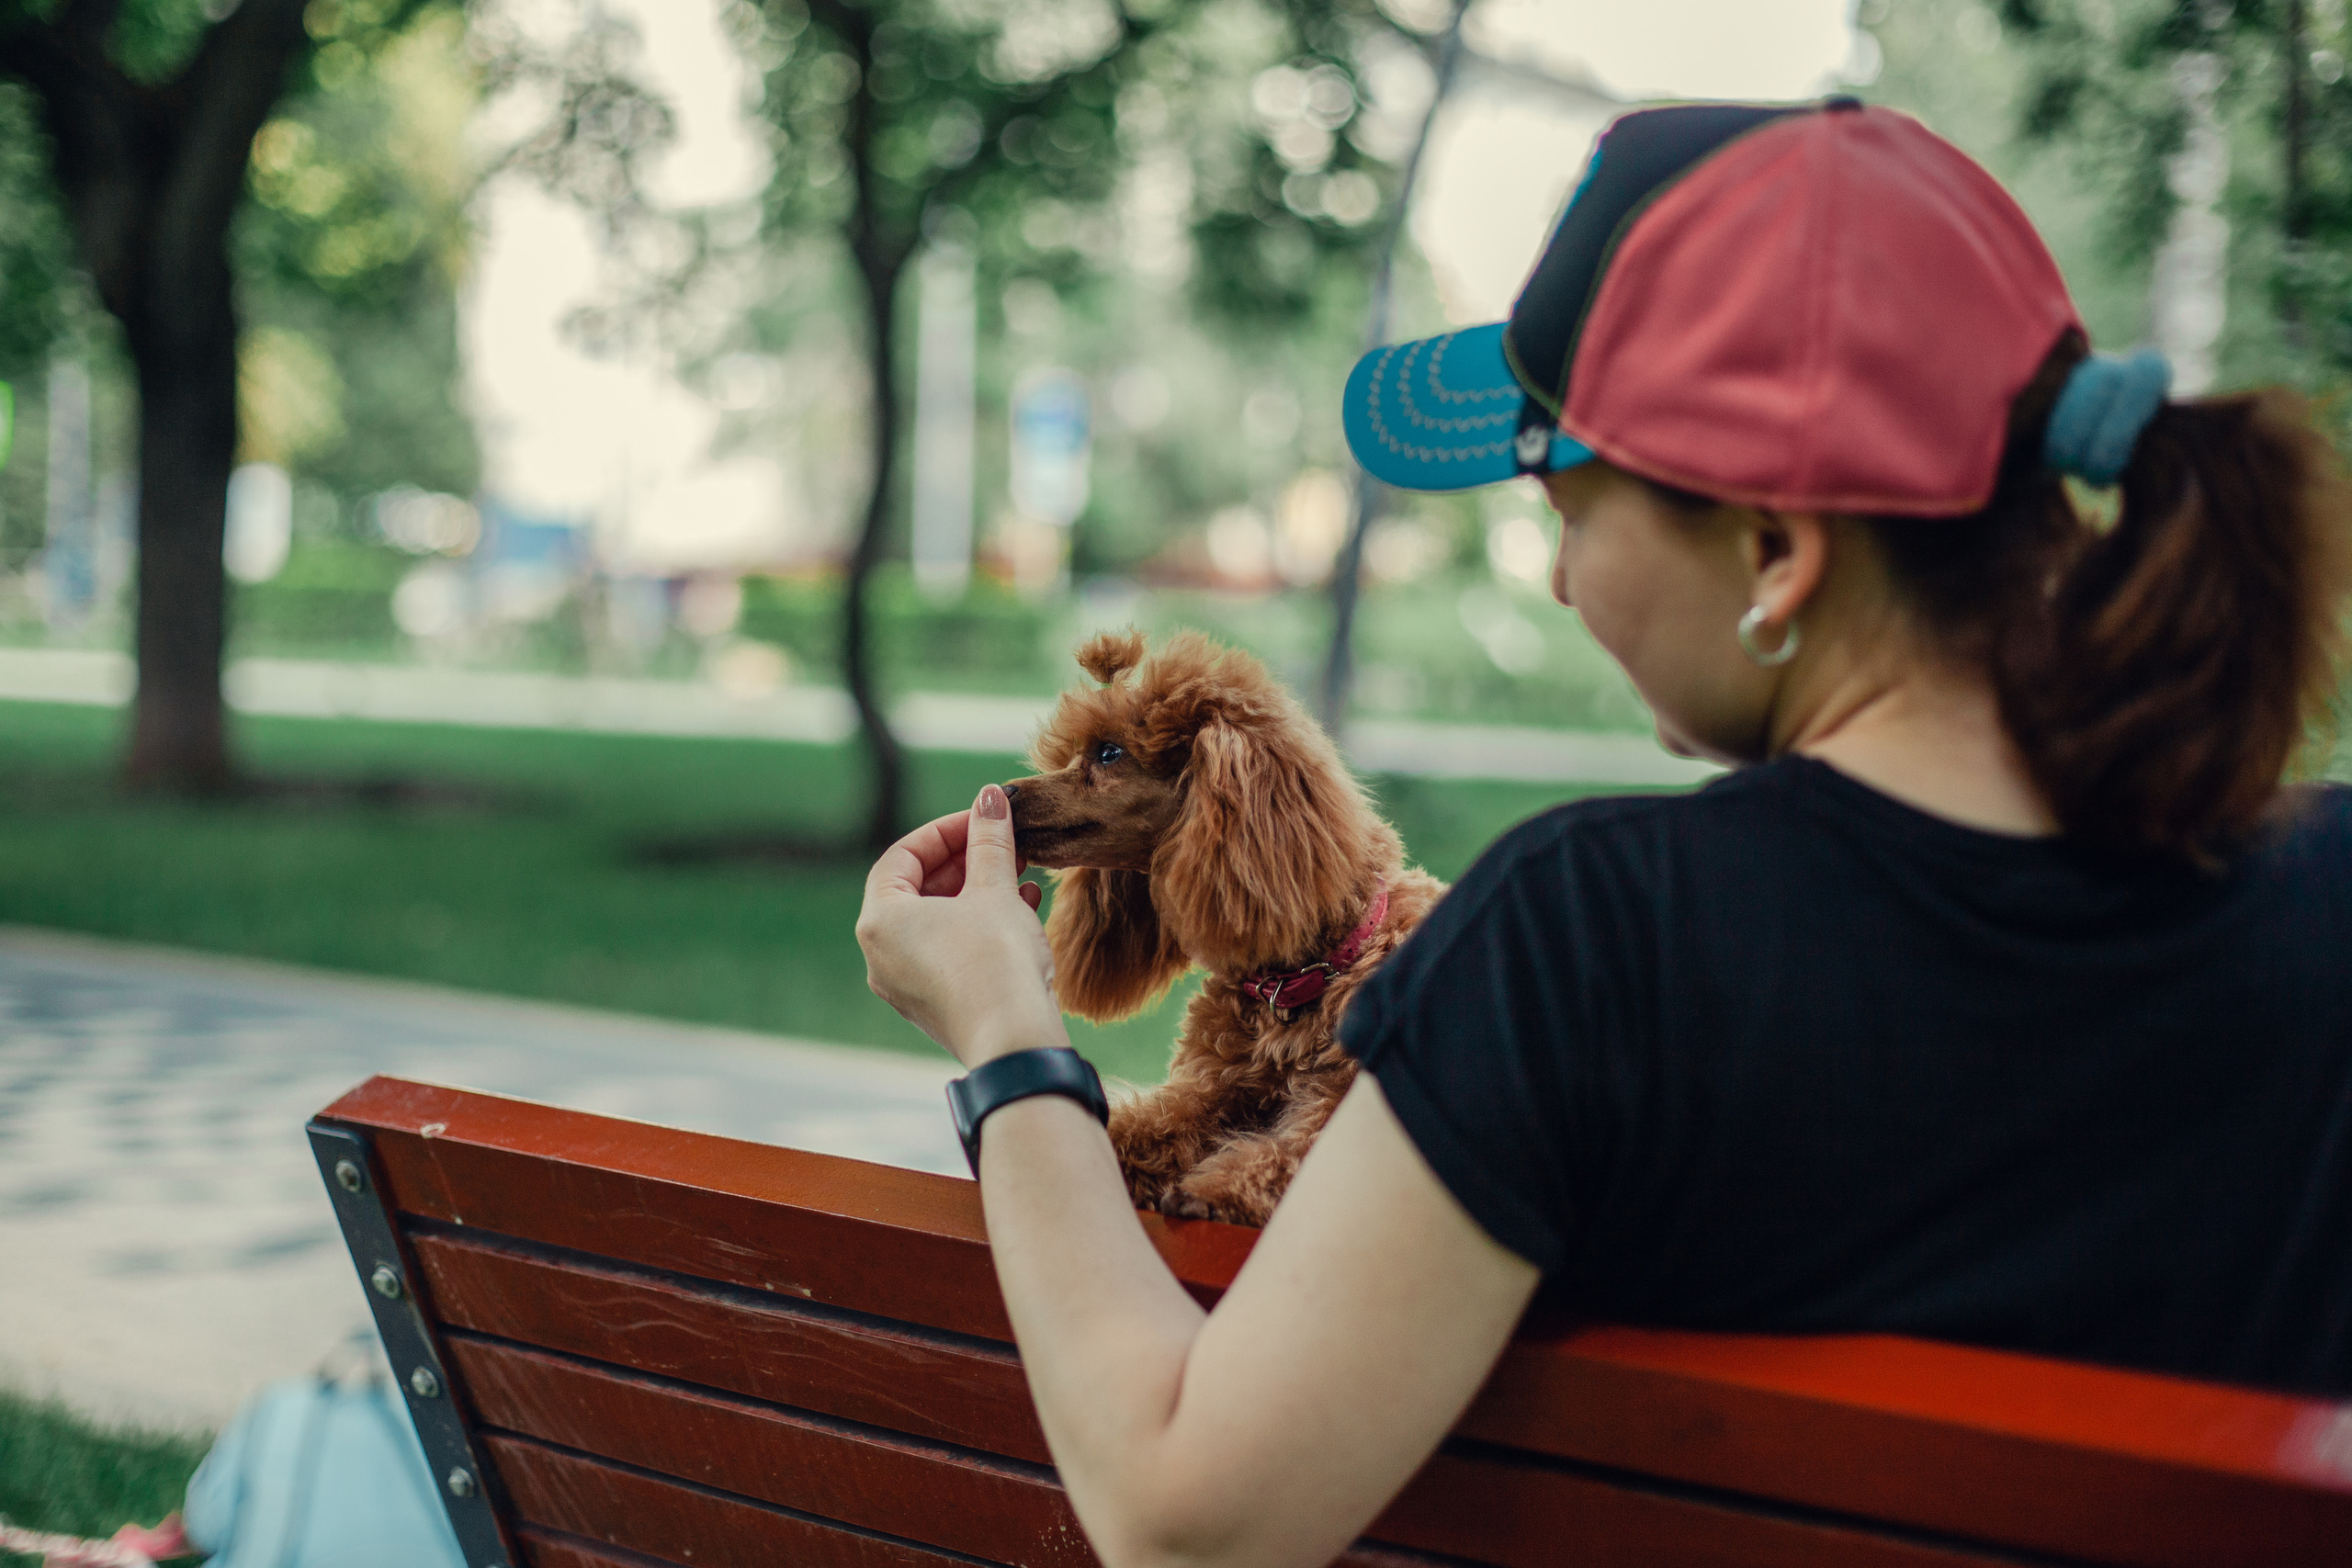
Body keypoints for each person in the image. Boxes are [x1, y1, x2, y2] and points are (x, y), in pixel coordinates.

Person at [855, 99, 2352, 1568]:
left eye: (1568, 505)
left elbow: (1188, 1523)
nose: (1566, 582)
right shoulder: (2327, 896)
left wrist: (1008, 1033)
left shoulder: (1592, 943)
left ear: (1776, 548)